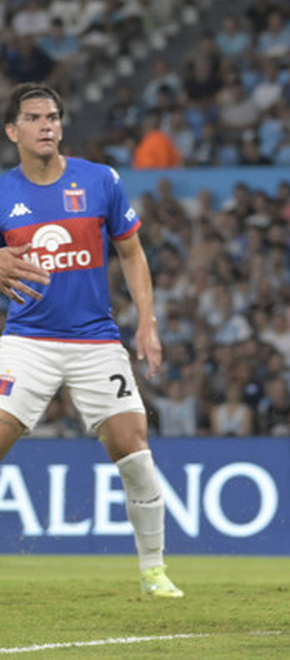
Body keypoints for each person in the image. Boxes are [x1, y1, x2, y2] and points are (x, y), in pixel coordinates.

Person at [0, 83, 180, 598]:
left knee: (135, 452)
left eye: (52, 116)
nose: (46, 126)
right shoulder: (3, 193)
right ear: (13, 132)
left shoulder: (99, 180)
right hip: (27, 340)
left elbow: (132, 253)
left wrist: (147, 322)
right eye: (33, 118)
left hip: (96, 341)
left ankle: (153, 570)